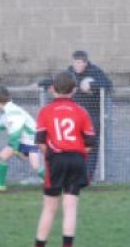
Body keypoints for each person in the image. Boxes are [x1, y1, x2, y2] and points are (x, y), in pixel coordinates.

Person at [31, 72, 95, 247]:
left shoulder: (45, 111)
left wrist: (50, 155)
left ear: (53, 90)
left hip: (56, 160)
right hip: (76, 159)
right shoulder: (81, 111)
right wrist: (79, 153)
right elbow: (90, 142)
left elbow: (40, 141)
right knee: (70, 206)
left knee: (50, 206)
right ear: (74, 90)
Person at [40, 50, 111, 182]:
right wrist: (44, 83)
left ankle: (87, 176)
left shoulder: (95, 71)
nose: (77, 66)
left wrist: (92, 85)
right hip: (74, 117)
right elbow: (58, 80)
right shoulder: (70, 72)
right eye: (75, 62)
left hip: (92, 116)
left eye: (80, 63)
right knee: (73, 145)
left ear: (85, 62)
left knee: (91, 146)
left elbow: (108, 85)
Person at [0, 86, 45, 192]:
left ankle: (53, 185)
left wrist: (16, 150)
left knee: (36, 166)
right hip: (22, 140)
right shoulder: (7, 112)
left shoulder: (12, 112)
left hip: (31, 139)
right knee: (3, 155)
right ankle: (1, 185)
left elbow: (15, 134)